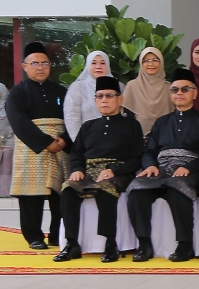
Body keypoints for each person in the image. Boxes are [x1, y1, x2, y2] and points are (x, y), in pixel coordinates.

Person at [126, 68, 199, 263]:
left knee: (177, 189)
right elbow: (149, 150)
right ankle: (144, 244)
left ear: (195, 93)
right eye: (175, 90)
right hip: (161, 169)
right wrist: (150, 165)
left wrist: (190, 167)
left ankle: (185, 245)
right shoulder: (161, 122)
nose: (179, 93)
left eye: (185, 89)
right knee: (137, 190)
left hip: (191, 170)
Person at [56, 76, 144, 263]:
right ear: (95, 100)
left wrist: (114, 170)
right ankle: (72, 244)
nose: (104, 100)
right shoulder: (88, 126)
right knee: (68, 189)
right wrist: (77, 169)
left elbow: (137, 158)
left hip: (119, 173)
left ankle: (110, 243)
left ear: (120, 99)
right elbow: (77, 154)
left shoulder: (132, 125)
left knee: (105, 189)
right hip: (89, 172)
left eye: (109, 96)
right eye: (100, 96)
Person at [5, 42, 70, 248]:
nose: (40, 67)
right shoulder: (17, 92)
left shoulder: (61, 91)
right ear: (25, 66)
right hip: (31, 148)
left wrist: (64, 139)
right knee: (31, 195)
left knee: (60, 195)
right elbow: (19, 122)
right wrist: (46, 142)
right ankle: (34, 237)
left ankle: (57, 235)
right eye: (35, 63)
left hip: (60, 147)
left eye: (44, 63)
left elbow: (72, 119)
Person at [64, 50, 116, 140]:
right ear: (88, 65)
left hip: (115, 140)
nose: (98, 67)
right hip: (87, 142)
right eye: (94, 63)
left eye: (103, 63)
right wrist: (79, 142)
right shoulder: (78, 87)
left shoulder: (118, 87)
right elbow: (71, 117)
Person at [122, 47, 173, 136]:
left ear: (161, 62)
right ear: (141, 63)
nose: (151, 64)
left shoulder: (169, 88)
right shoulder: (132, 86)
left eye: (155, 60)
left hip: (165, 137)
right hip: (138, 138)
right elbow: (128, 116)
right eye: (146, 60)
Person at [0, 84, 13, 197]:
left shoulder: (10, 108)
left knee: (7, 168)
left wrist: (5, 139)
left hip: (9, 143)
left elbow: (13, 127)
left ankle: (6, 191)